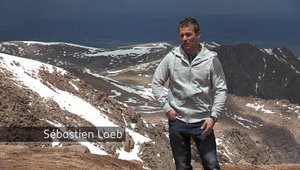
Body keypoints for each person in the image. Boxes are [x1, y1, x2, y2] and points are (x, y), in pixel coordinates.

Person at [151, 17, 227, 170]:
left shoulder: (211, 60)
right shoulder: (172, 58)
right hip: (177, 121)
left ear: (198, 35)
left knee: (211, 165)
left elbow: (221, 89)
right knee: (182, 166)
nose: (184, 39)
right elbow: (156, 83)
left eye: (188, 34)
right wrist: (166, 108)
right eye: (181, 35)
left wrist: (213, 117)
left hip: (203, 122)